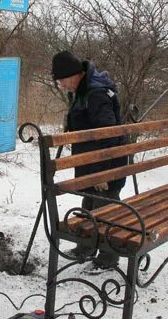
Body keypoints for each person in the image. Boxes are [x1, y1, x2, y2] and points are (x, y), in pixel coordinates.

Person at [52, 50, 128, 269]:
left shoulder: (96, 93)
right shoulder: (85, 90)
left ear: (75, 74)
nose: (63, 85)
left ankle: (107, 258)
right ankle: (85, 246)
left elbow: (108, 133)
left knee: (105, 208)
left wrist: (102, 172)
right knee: (88, 202)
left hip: (107, 164)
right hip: (92, 163)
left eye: (63, 80)